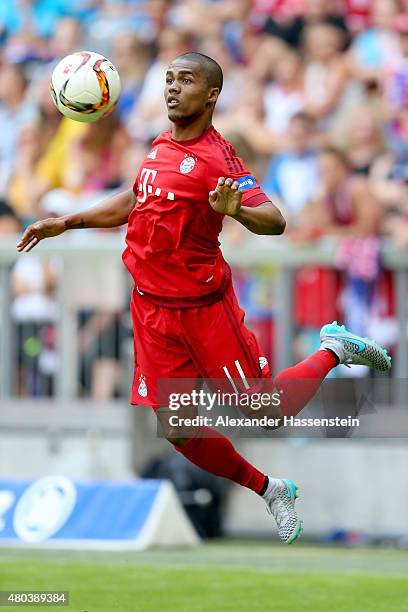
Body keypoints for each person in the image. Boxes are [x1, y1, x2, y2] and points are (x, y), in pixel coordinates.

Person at [17, 52, 391, 544]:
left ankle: (334, 348)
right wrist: (67, 222)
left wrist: (238, 211)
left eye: (186, 80)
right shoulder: (159, 145)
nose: (172, 88)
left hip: (203, 309)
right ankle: (272, 488)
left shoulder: (219, 156)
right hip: (151, 309)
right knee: (175, 429)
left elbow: (274, 220)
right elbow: (135, 199)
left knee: (267, 411)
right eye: (169, 79)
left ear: (211, 94)